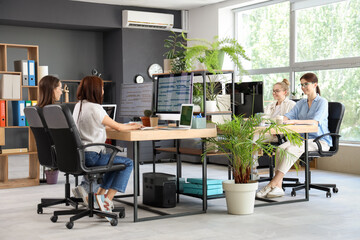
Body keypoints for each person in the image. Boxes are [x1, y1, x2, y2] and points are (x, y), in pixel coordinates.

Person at [72, 76, 142, 221]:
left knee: (113, 164)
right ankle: (107, 201)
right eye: (102, 88)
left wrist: (122, 126)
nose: (103, 91)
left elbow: (102, 124)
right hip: (92, 156)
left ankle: (100, 196)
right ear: (96, 90)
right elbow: (118, 127)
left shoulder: (79, 105)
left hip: (80, 155)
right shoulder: (96, 108)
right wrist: (134, 125)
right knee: (128, 163)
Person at [256, 73, 332, 198]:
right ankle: (279, 187)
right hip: (303, 140)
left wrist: (295, 121)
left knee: (291, 149)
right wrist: (279, 121)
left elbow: (315, 122)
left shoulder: (322, 102)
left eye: (306, 84)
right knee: (280, 149)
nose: (303, 87)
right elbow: (288, 117)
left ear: (315, 84)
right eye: (301, 84)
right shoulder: (302, 103)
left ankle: (272, 183)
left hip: (319, 141)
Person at [252, 79, 296, 179]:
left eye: (277, 91)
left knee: (255, 137)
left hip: (282, 135)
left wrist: (278, 131)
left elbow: (292, 122)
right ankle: (252, 169)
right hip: (268, 133)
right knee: (252, 137)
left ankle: (253, 170)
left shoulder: (291, 105)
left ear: (285, 92)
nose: (274, 93)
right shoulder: (270, 106)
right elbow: (264, 120)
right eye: (273, 90)